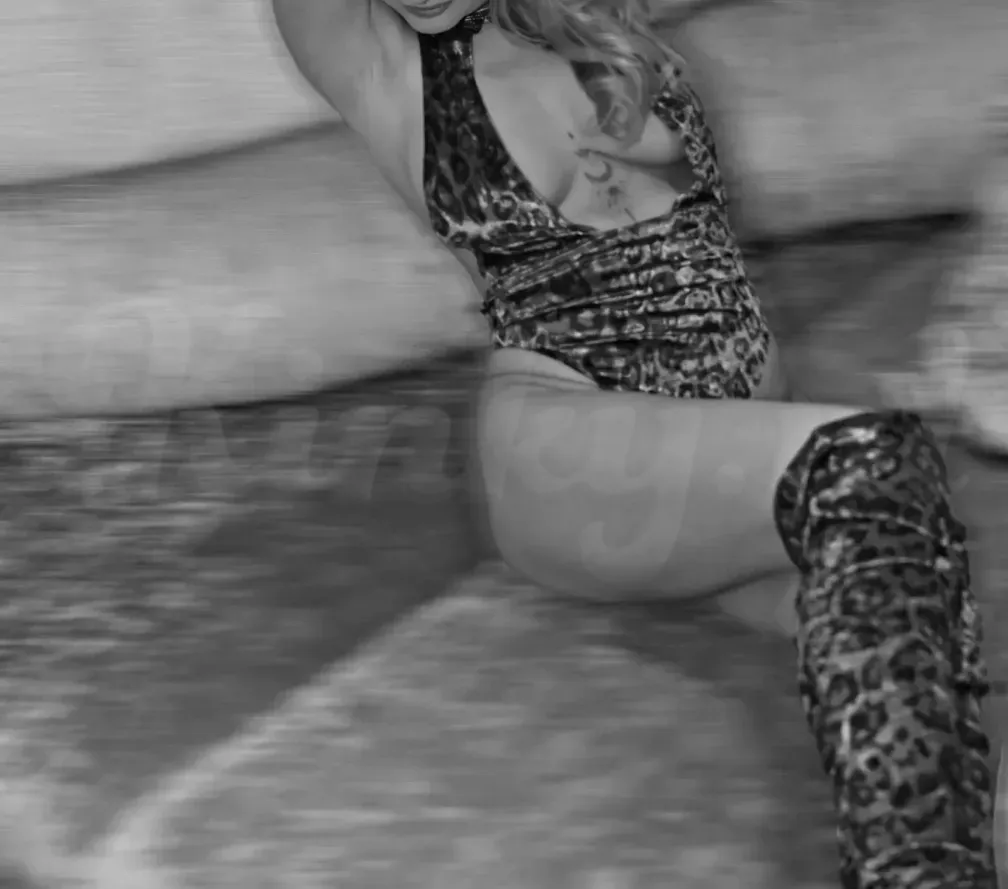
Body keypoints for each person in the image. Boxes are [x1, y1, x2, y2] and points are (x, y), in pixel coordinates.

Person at [271, 0, 995, 884]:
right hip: (570, 445)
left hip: (718, 457)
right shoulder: (395, 77)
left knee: (929, 620)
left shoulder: (594, 23)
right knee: (872, 463)